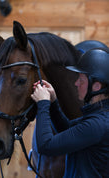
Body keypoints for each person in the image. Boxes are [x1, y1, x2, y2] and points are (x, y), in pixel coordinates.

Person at [31, 48, 109, 178]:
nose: (76, 83)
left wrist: (43, 103)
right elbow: (66, 130)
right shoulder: (99, 117)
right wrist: (53, 102)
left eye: (81, 80)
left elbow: (46, 146)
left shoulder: (97, 124)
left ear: (96, 86)